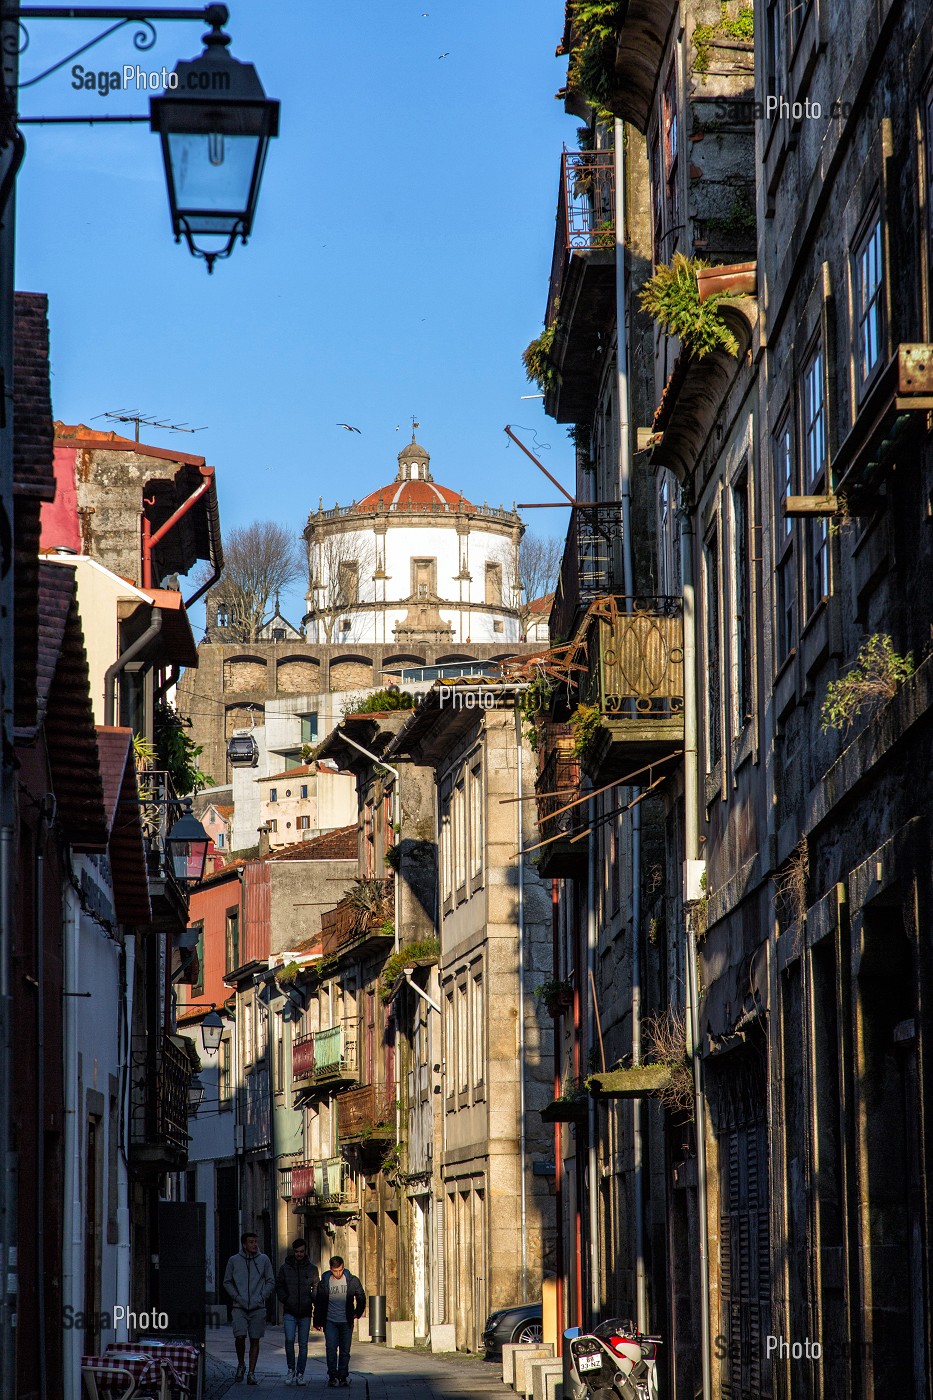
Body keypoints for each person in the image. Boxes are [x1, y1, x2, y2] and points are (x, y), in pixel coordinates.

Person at [223, 1231, 276, 1385]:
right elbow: (227, 1281)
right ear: (244, 1244)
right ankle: (241, 1364)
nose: (254, 1244)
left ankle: (252, 1372)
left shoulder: (264, 1259)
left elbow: (270, 1280)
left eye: (255, 1242)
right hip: (239, 1306)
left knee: (255, 1339)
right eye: (251, 1242)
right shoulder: (234, 1260)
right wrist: (236, 1297)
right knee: (239, 1336)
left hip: (257, 1306)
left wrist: (261, 1297)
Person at [312, 1255, 366, 1387]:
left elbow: (361, 1296)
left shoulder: (352, 1281)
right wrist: (317, 1321)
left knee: (345, 1350)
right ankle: (332, 1375)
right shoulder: (324, 1282)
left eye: (340, 1270)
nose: (338, 1273)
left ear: (343, 1267)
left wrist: (357, 1312)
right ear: (331, 1269)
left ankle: (343, 1376)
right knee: (331, 1348)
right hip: (330, 1321)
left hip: (346, 1321)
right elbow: (318, 1302)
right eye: (335, 1271)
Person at [275, 1237, 319, 1387]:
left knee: (303, 1344)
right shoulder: (285, 1268)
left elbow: (316, 1286)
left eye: (301, 1251)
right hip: (290, 1310)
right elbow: (279, 1285)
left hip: (306, 1311)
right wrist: (285, 1299)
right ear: (293, 1252)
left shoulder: (312, 1268)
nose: (299, 1254)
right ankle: (290, 1369)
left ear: (305, 1251)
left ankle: (300, 1373)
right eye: (296, 1252)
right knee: (288, 1341)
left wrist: (312, 1299)